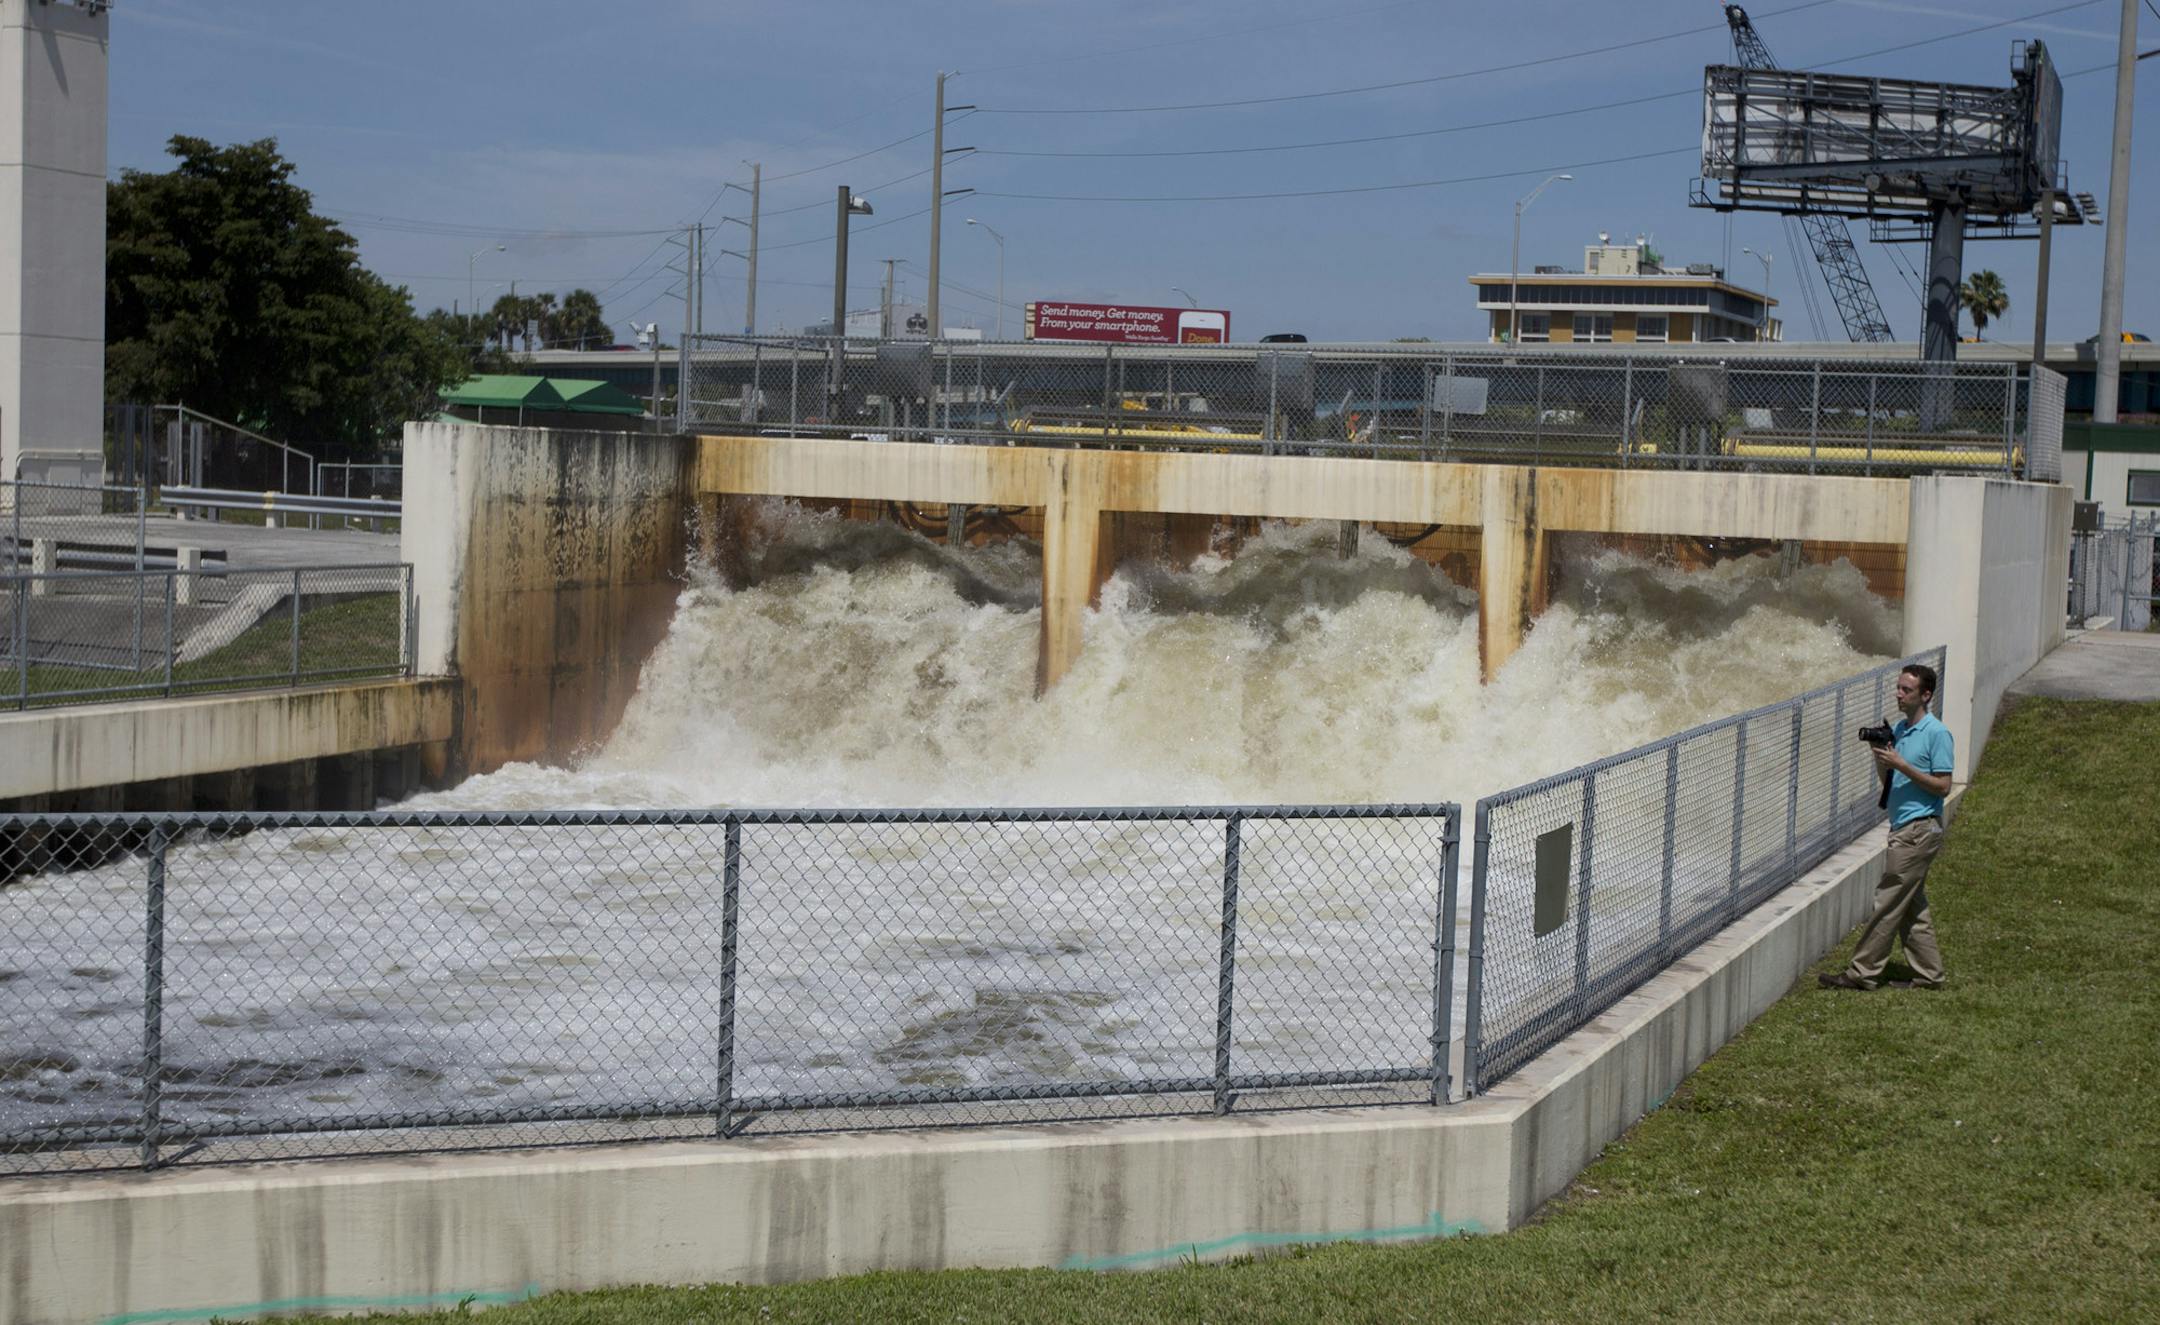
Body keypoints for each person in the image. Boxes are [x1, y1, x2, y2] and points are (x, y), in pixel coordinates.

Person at [1820, 663, 1954, 991]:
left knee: (1888, 901)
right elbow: (1889, 783)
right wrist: (1883, 761)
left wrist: (1903, 765)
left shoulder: (1937, 734)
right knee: (1911, 906)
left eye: (1906, 690)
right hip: (1901, 827)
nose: (1898, 694)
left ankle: (1862, 973)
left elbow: (1943, 786)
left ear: (1925, 695)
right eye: (1898, 688)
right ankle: (1930, 975)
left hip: (1918, 830)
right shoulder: (1901, 729)